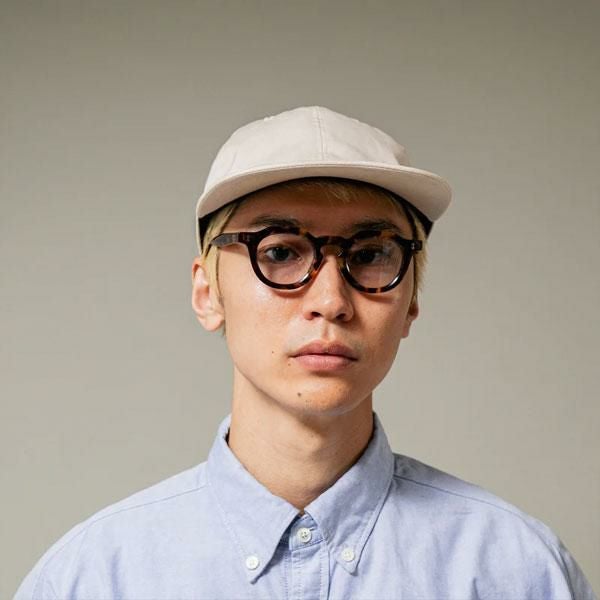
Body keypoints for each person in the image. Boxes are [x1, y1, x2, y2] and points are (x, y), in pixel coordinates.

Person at [15, 106, 596, 600]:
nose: (330, 301)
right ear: (207, 292)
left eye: (371, 255)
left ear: (411, 302)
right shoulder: (93, 578)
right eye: (280, 252)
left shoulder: (518, 572)